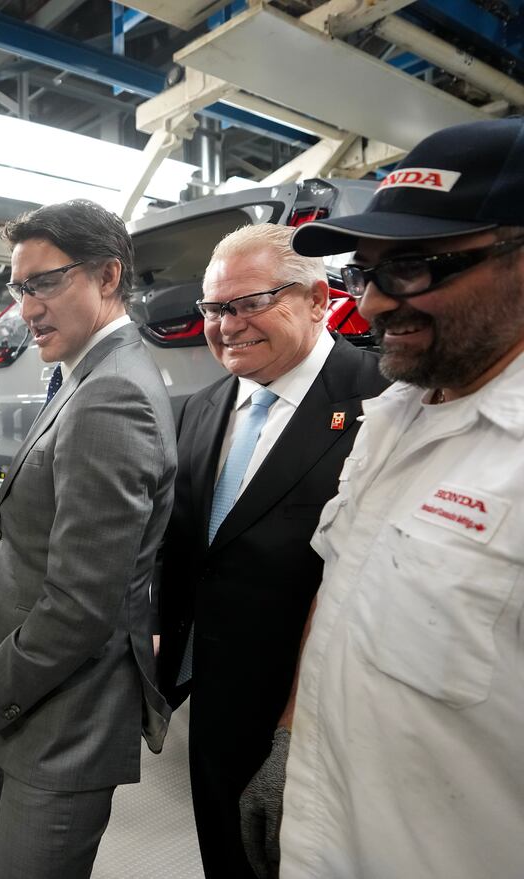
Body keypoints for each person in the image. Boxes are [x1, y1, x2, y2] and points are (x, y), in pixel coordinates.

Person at [239, 117, 524, 879]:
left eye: (413, 269)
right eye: (365, 273)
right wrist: (291, 739)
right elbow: (340, 590)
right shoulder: (392, 415)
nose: (366, 307)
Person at [0, 199, 175, 877]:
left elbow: (82, 608)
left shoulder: (111, 394)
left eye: (44, 283)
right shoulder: (78, 375)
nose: (26, 307)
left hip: (62, 719)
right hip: (28, 708)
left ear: (108, 276)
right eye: (19, 287)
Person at [155, 224, 387, 878]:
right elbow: (183, 542)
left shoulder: (384, 401)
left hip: (320, 715)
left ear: (317, 299)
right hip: (211, 703)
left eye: (249, 302)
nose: (226, 325)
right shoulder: (201, 408)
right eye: (214, 308)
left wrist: (298, 731)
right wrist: (152, 637)